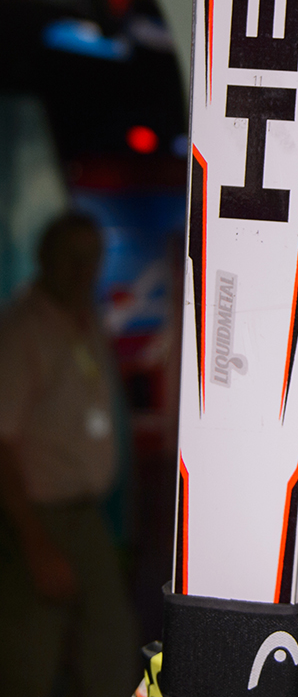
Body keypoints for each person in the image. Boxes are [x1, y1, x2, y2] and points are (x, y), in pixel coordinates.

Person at [0, 211, 138, 697]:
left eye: (93, 258)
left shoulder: (84, 319)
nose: (85, 270)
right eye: (72, 258)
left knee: (109, 645)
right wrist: (35, 543)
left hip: (85, 515)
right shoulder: (23, 331)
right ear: (45, 258)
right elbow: (2, 441)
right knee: (30, 659)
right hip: (37, 518)